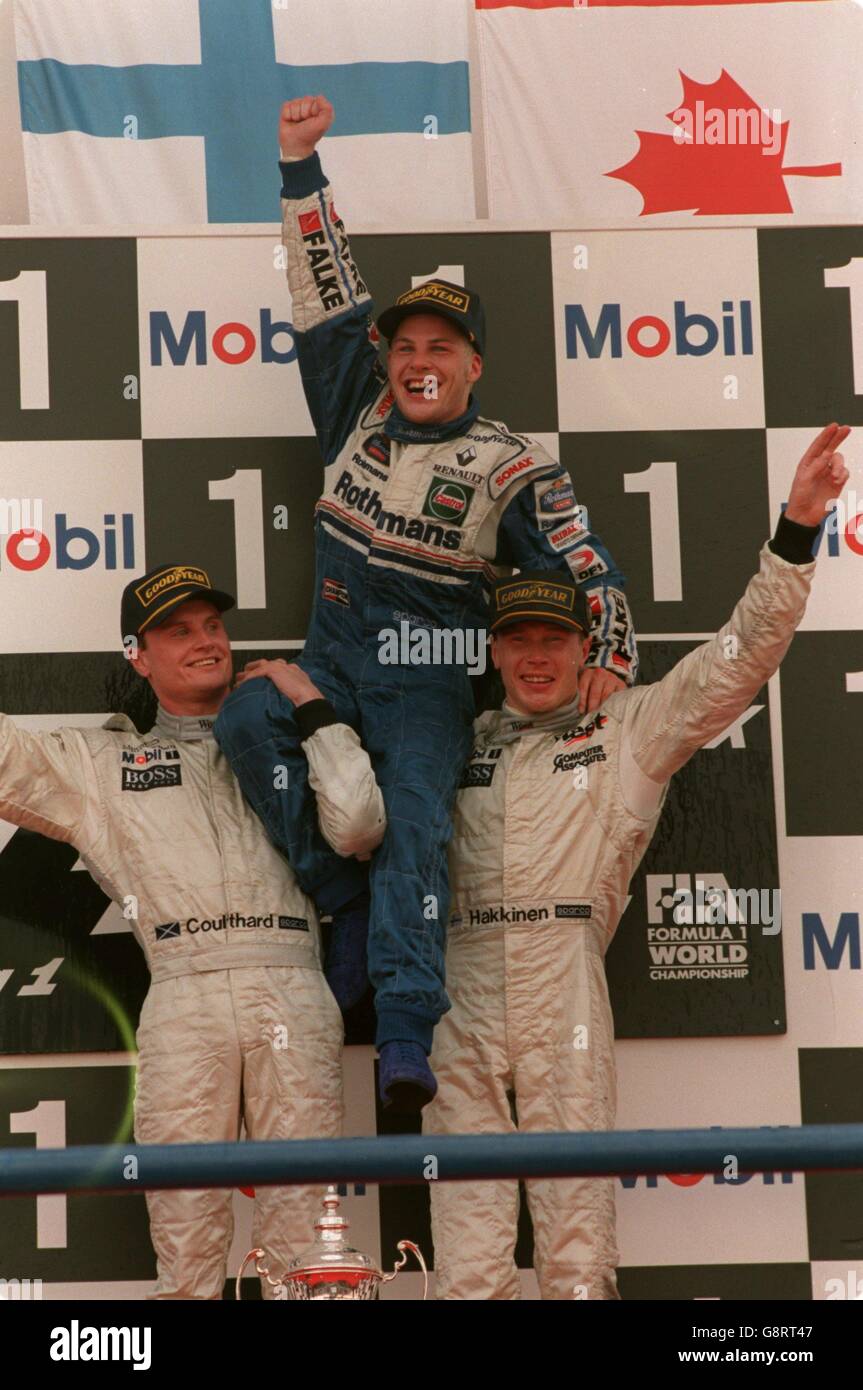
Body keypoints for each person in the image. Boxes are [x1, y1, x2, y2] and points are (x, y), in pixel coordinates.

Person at [214, 94, 638, 1112]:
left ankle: (404, 1022)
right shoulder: (352, 408)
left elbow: (591, 575)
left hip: (426, 676)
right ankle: (340, 901)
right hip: (330, 658)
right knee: (244, 712)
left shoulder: (513, 464)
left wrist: (610, 652)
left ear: (472, 367)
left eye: (439, 349)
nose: (417, 362)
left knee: (412, 820)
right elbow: (325, 294)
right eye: (404, 347)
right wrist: (298, 171)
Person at [423, 424, 851, 1299]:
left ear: (587, 649)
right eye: (518, 641)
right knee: (464, 1267)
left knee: (577, 1256)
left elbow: (740, 658)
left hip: (564, 981)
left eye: (553, 640)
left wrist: (796, 532)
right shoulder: (445, 745)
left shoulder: (626, 731)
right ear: (494, 652)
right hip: (453, 989)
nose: (536, 657)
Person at [0, 562, 385, 1299]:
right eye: (178, 632)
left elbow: (360, 826)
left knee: (306, 1244)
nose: (205, 641)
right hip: (183, 990)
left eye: (213, 626)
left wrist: (310, 710)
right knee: (186, 1240)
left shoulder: (289, 742)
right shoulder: (105, 763)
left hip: (293, 983)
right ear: (137, 658)